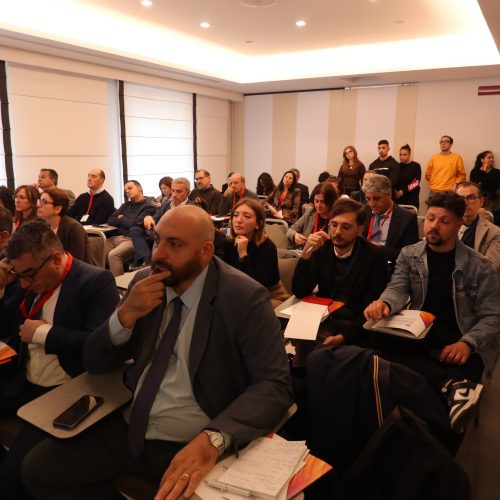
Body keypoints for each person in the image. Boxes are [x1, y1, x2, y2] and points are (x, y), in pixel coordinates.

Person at [21, 205, 293, 499]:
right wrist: (124, 316)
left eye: (174, 244)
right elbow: (95, 361)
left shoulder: (243, 297)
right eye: (157, 240)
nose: (158, 254)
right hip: (131, 422)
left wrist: (214, 438)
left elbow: (274, 385)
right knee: (37, 470)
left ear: (205, 251)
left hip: (194, 434)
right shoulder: (145, 283)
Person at [0, 220, 119, 498]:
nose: (25, 283)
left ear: (55, 259)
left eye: (29, 275)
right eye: (19, 274)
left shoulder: (95, 282)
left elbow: (100, 346)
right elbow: (7, 326)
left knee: (12, 476)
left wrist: (44, 333)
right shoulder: (29, 277)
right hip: (23, 380)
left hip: (66, 391)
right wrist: (2, 287)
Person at [364, 192, 500, 433]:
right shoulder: (410, 254)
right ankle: (450, 385)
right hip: (423, 330)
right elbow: (397, 288)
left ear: (458, 225)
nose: (434, 226)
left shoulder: (479, 266)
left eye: (444, 221)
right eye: (430, 219)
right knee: (375, 343)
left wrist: (467, 343)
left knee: (468, 368)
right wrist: (384, 303)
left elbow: (493, 316)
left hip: (461, 335)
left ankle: (439, 429)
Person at [291, 198, 390, 365]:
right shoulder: (322, 248)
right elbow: (300, 291)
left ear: (359, 230)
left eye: (346, 227)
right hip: (323, 318)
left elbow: (370, 308)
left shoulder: (374, 256)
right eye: (334, 225)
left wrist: (343, 337)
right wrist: (306, 256)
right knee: (303, 349)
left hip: (355, 324)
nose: (337, 232)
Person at [222, 198, 287, 307]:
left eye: (247, 216)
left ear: (258, 224)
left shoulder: (267, 247)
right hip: (238, 295)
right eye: (236, 215)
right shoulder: (227, 243)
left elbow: (254, 286)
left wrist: (243, 254)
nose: (238, 220)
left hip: (269, 296)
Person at [129, 178, 195, 270]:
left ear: (188, 192)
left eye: (179, 191)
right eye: (173, 191)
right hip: (160, 234)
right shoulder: (166, 204)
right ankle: (144, 262)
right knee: (136, 229)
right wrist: (149, 217)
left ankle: (144, 263)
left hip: (177, 239)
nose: (174, 195)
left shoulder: (193, 208)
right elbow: (156, 217)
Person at [362, 174, 419, 264]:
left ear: (389, 194)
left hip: (390, 266)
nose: (372, 204)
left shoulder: (407, 218)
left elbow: (410, 254)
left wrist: (379, 250)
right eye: (368, 199)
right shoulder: (363, 211)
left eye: (376, 199)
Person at [106, 180, 156, 276]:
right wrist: (126, 221)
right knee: (96, 249)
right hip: (117, 237)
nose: (127, 191)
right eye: (125, 190)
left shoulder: (149, 207)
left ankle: (119, 284)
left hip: (133, 240)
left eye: (130, 188)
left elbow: (135, 225)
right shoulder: (126, 205)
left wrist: (122, 217)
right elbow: (111, 219)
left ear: (139, 188)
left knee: (114, 255)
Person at [37, 188, 95, 265]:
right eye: (40, 201)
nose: (38, 205)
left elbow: (75, 263)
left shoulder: (74, 228)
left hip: (77, 270)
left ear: (57, 209)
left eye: (44, 202)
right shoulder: (42, 226)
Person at [454, 181, 500, 275]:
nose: (465, 203)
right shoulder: (445, 225)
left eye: (471, 198)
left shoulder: (495, 233)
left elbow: (490, 269)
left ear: (481, 201)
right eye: (460, 199)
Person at [287, 182, 337, 248]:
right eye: (316, 201)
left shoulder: (336, 217)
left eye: (322, 202)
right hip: (306, 250)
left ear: (330, 202)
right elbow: (290, 230)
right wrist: (295, 235)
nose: (318, 205)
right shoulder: (310, 212)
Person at [470, 150, 500, 216]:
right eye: (489, 157)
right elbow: (474, 184)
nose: (491, 159)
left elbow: (495, 186)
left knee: (490, 217)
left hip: (493, 200)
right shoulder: (475, 171)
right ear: (482, 160)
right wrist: (483, 170)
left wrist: (482, 184)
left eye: (492, 157)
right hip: (478, 199)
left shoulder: (497, 172)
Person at [394, 144, 421, 209]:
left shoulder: (416, 166)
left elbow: (416, 183)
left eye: (404, 155)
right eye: (400, 154)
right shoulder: (397, 166)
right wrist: (395, 191)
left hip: (411, 200)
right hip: (398, 200)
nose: (402, 157)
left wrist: (402, 191)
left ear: (409, 154)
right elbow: (393, 181)